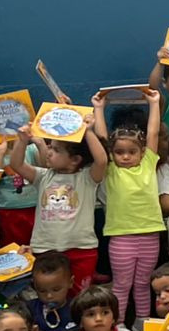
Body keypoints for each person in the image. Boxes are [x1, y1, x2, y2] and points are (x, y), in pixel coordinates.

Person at [91, 90, 165, 323]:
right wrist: (99, 108)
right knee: (122, 285)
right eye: (119, 152)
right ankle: (120, 325)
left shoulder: (147, 164)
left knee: (143, 284)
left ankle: (143, 323)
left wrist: (154, 104)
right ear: (112, 153)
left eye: (131, 152)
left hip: (150, 234)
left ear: (142, 152)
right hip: (121, 236)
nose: (125, 156)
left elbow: (152, 132)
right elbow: (102, 138)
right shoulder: (112, 169)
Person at [11, 117, 108, 294]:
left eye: (56, 150)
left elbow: (101, 160)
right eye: (49, 146)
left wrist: (88, 131)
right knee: (50, 296)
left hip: (81, 249)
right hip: (46, 250)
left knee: (79, 298)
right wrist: (22, 141)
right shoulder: (43, 177)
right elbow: (16, 164)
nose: (48, 151)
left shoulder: (87, 178)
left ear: (75, 160)